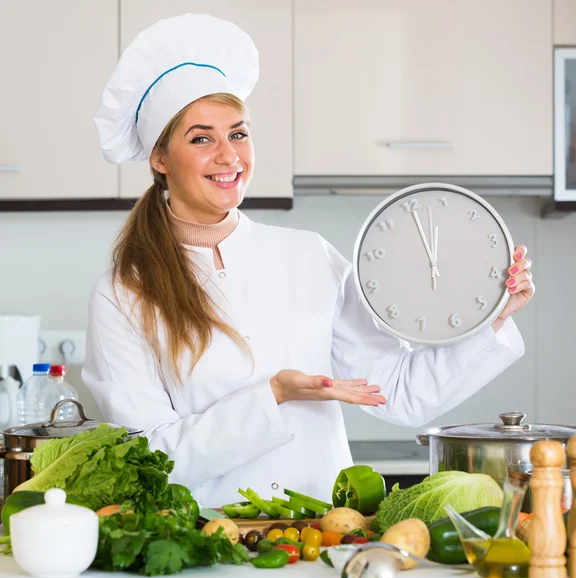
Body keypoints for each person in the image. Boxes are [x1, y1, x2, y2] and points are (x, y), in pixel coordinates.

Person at [83, 14, 533, 508]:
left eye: (238, 133)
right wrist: (272, 394)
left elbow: (400, 392)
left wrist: (492, 316)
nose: (229, 156)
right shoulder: (125, 292)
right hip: (203, 541)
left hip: (323, 539)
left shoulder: (308, 255)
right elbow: (149, 457)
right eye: (201, 138)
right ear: (160, 158)